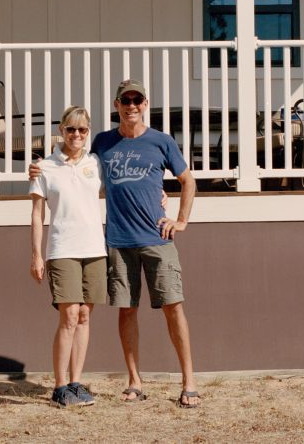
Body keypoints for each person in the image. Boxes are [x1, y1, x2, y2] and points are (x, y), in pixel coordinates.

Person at [33, 79, 200, 408]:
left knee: (173, 307)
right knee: (127, 310)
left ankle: (189, 381)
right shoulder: (103, 144)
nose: (132, 105)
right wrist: (39, 167)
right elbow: (74, 164)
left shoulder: (161, 141)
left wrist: (180, 220)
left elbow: (188, 181)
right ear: (117, 105)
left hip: (157, 238)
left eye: (137, 99)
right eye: (126, 100)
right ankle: (135, 381)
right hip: (118, 241)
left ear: (145, 103)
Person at [30, 105, 105, 408]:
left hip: (95, 249)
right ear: (61, 130)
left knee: (85, 316)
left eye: (83, 130)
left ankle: (76, 382)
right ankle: (60, 386)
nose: (76, 135)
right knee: (69, 316)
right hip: (63, 250)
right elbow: (37, 215)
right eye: (71, 129)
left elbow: (124, 188)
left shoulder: (96, 163)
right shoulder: (45, 167)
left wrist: (160, 195)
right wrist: (37, 255)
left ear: (88, 133)